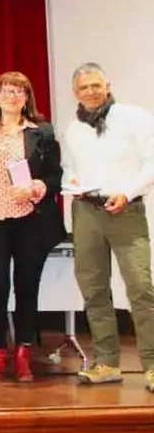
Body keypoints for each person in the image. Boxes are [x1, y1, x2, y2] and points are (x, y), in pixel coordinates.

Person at [61, 63, 154, 391]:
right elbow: (70, 169)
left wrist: (127, 193)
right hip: (86, 211)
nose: (90, 92)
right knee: (94, 289)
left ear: (107, 84)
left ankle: (152, 365)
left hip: (126, 211)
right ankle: (106, 363)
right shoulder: (73, 128)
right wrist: (69, 184)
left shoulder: (134, 118)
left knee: (141, 288)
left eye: (95, 85)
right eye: (83, 88)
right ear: (76, 92)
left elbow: (152, 161)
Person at [0, 72, 65, 383]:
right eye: (6, 91)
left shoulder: (43, 132)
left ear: (27, 98)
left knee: (27, 287)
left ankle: (24, 355)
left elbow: (55, 175)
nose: (12, 97)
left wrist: (38, 186)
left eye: (19, 92)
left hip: (30, 221)